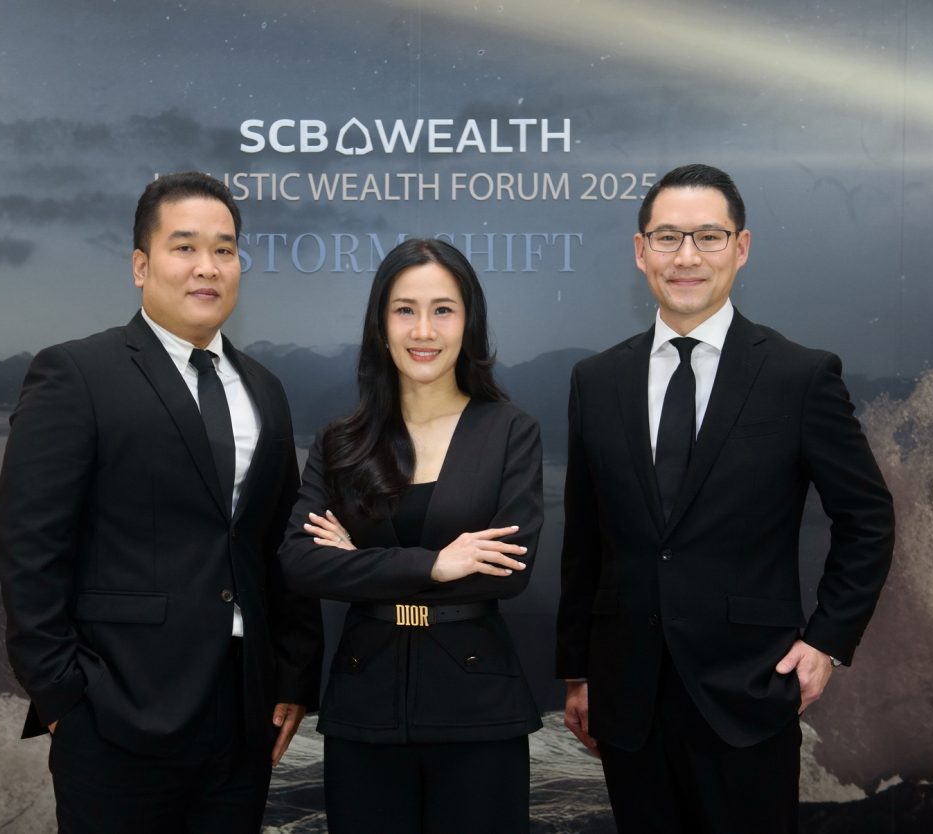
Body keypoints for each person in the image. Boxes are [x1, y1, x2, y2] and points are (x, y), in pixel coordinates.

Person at [555, 163, 895, 833]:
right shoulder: (596, 380)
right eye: (668, 237)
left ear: (741, 248)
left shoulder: (799, 376)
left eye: (709, 236)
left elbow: (868, 519)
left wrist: (826, 641)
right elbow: (585, 536)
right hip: (627, 701)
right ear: (641, 250)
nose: (687, 256)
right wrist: (577, 671)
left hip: (750, 693)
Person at [0, 171, 323, 833]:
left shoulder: (265, 388)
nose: (208, 266)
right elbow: (28, 543)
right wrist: (62, 698)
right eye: (185, 247)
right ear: (141, 266)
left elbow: (279, 542)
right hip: (115, 713)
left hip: (243, 717)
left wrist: (292, 677)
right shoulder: (77, 373)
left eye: (224, 250)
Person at [277, 238, 544, 834]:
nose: (424, 330)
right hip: (363, 702)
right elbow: (300, 562)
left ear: (469, 321)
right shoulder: (341, 441)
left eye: (443, 309)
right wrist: (435, 566)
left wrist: (360, 564)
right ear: (380, 323)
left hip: (478, 706)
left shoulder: (510, 431)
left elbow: (510, 571)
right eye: (405, 310)